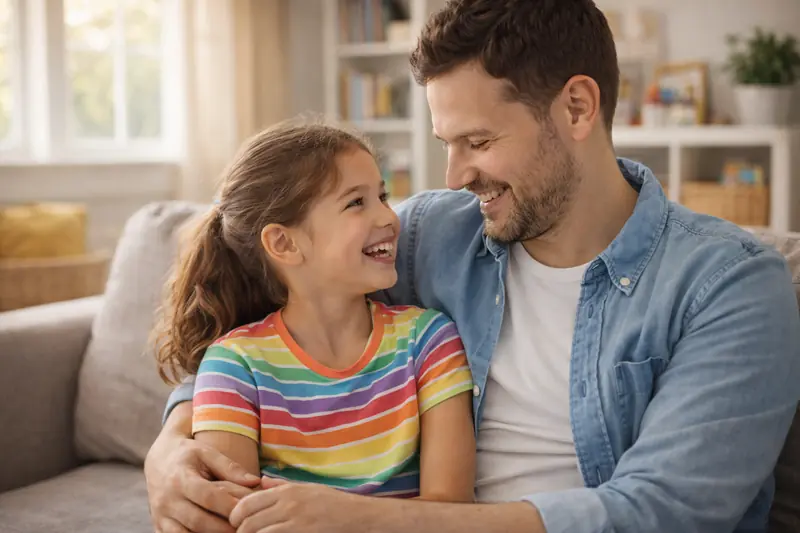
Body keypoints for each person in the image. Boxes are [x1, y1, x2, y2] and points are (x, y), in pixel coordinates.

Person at [144, 1, 800, 532]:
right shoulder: (432, 233)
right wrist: (172, 447)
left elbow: (665, 511)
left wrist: (363, 520)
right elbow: (272, 327)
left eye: (478, 141)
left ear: (577, 107)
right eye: (447, 144)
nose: (456, 175)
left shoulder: (732, 285)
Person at [148, 122, 477, 531]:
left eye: (383, 196)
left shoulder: (428, 341)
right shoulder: (234, 365)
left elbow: (452, 510)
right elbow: (231, 520)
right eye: (356, 202)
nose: (389, 217)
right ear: (284, 243)